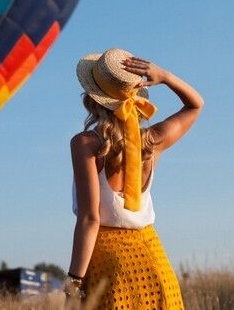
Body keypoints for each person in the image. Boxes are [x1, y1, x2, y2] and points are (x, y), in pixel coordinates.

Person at [67, 49, 203, 309]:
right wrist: (165, 76)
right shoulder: (152, 140)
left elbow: (90, 219)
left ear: (92, 97)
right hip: (155, 261)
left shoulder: (86, 144)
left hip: (111, 266)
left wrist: (74, 282)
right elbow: (195, 105)